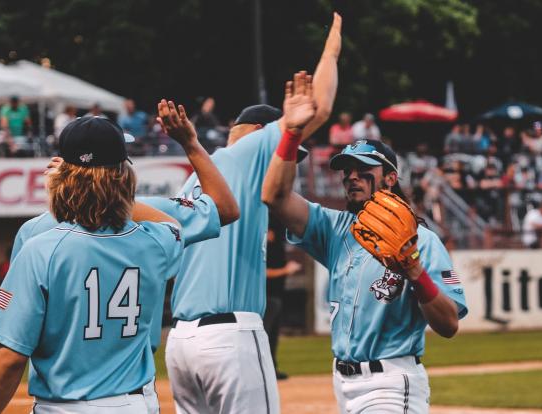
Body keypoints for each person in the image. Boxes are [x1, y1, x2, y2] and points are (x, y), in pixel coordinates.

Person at [7, 109, 238, 414]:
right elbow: (226, 208)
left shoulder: (33, 234)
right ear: (121, 168)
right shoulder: (152, 218)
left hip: (57, 400)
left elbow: (15, 340)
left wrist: (82, 189)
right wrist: (191, 144)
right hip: (131, 394)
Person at [165, 14, 341, 413]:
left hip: (180, 343)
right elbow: (321, 106)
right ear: (263, 132)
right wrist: (333, 45)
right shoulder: (250, 153)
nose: (289, 160)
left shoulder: (193, 180)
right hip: (230, 337)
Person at [0, 116, 188, 414]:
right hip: (135, 404)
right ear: (124, 177)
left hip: (64, 408)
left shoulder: (41, 249)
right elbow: (173, 224)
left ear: (64, 175)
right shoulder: (155, 243)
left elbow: (10, 359)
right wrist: (117, 193)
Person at [262, 130, 467, 412]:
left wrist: (416, 272)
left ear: (390, 178)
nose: (351, 176)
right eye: (347, 170)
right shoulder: (334, 230)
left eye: (363, 169)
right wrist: (293, 133)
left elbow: (449, 324)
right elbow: (276, 196)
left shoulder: (422, 240)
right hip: (342, 385)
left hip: (391, 383)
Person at [263, 214, 302, 380]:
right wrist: (286, 270)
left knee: (272, 336)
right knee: (264, 335)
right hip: (267, 295)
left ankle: (271, 368)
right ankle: (261, 369)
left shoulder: (276, 246)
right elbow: (263, 273)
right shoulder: (264, 247)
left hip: (276, 294)